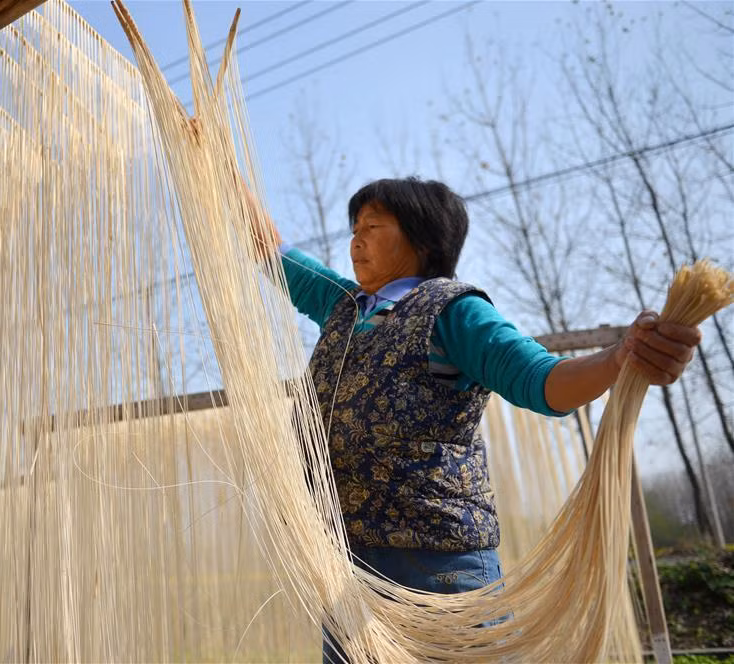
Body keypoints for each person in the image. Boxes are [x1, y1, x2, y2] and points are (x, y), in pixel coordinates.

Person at [247, 176, 700, 663]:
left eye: (373, 225)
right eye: (354, 227)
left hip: (436, 563)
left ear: (422, 241)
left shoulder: (454, 312)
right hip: (348, 566)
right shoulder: (343, 305)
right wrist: (216, 159)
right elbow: (270, 249)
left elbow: (542, 380)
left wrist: (620, 358)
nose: (356, 239)